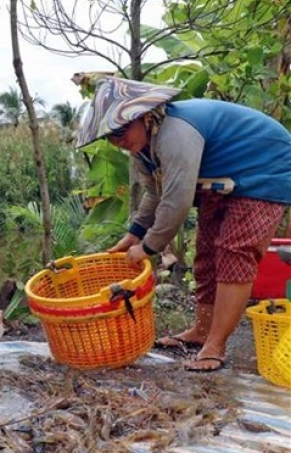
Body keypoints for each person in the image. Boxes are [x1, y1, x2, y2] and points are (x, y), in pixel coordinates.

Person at [76, 76, 291, 372]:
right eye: (111, 136)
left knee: (235, 253)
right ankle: (201, 331)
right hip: (222, 182)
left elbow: (176, 200)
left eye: (123, 129)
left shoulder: (175, 132)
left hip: (264, 169)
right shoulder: (142, 150)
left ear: (143, 114)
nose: (120, 140)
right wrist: (134, 234)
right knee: (206, 257)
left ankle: (215, 345)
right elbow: (154, 192)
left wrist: (150, 246)